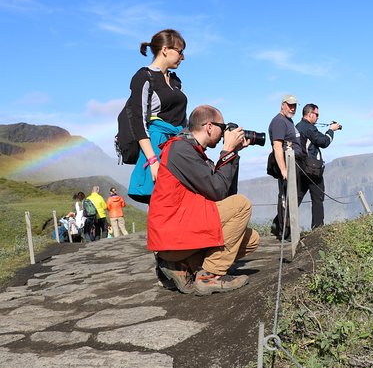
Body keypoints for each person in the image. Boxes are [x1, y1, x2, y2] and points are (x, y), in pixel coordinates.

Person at [149, 105, 260, 295]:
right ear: (209, 126)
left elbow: (224, 193)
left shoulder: (192, 151)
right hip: (172, 233)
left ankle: (183, 266)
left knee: (251, 239)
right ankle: (209, 276)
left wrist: (233, 154)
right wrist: (227, 149)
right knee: (242, 205)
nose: (225, 132)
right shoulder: (179, 149)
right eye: (222, 126)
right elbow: (217, 191)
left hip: (183, 226)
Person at [127, 29, 188, 204]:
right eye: (180, 51)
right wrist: (152, 160)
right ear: (165, 50)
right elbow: (138, 121)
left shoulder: (176, 80)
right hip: (156, 144)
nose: (182, 57)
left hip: (177, 144)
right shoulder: (143, 76)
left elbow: (182, 117)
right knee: (162, 200)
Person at [296, 103, 341, 229]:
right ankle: (318, 229)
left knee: (296, 198)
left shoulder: (297, 127)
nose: (318, 118)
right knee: (317, 198)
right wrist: (331, 130)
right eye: (316, 114)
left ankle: (280, 225)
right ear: (310, 114)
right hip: (312, 169)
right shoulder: (309, 128)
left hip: (300, 168)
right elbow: (323, 142)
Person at [268, 94, 306, 239]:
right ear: (282, 104)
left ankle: (283, 228)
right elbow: (277, 147)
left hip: (295, 163)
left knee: (293, 196)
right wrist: (284, 170)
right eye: (290, 105)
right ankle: (286, 232)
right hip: (287, 165)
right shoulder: (279, 122)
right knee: (286, 197)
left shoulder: (288, 121)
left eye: (295, 105)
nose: (292, 108)